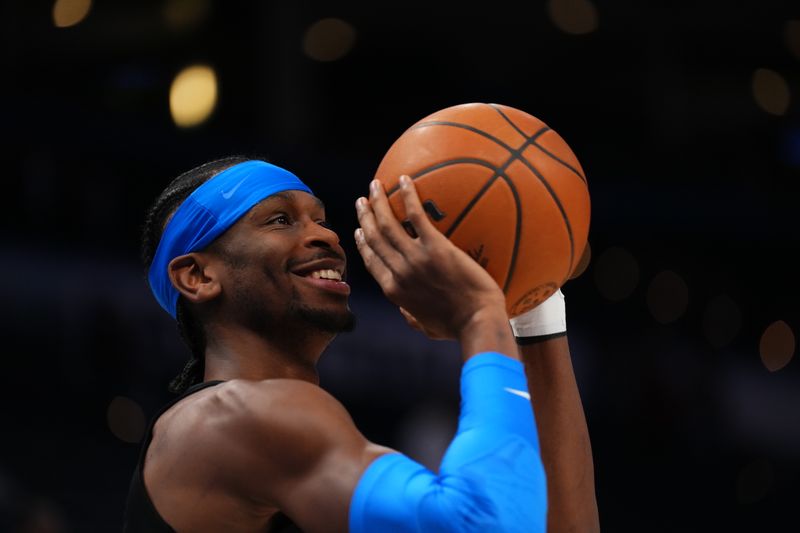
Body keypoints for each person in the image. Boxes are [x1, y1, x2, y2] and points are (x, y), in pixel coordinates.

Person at [123, 156, 599, 532]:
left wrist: (534, 304)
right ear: (198, 275)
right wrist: (479, 314)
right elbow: (486, 524)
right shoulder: (233, 418)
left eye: (321, 220)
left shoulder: (300, 432)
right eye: (280, 220)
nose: (325, 236)